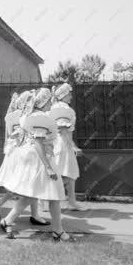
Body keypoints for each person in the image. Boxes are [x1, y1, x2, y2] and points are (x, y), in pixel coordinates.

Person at [0, 88, 74, 242]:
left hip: (34, 158)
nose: (50, 103)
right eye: (49, 100)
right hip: (40, 159)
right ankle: (58, 231)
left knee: (31, 194)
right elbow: (39, 143)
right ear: (44, 101)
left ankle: (7, 221)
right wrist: (47, 166)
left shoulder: (31, 116)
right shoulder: (40, 118)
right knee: (53, 194)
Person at [0, 91, 49, 225]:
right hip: (22, 153)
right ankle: (4, 206)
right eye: (30, 100)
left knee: (23, 184)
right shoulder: (25, 116)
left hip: (13, 153)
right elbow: (24, 135)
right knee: (26, 184)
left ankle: (34, 215)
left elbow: (10, 135)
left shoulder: (11, 116)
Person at [49, 83, 85, 211]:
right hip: (62, 145)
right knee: (64, 174)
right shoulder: (63, 109)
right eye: (69, 94)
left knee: (65, 174)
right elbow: (63, 130)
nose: (71, 97)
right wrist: (73, 146)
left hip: (58, 144)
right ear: (63, 95)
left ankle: (69, 201)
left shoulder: (55, 107)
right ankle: (65, 201)